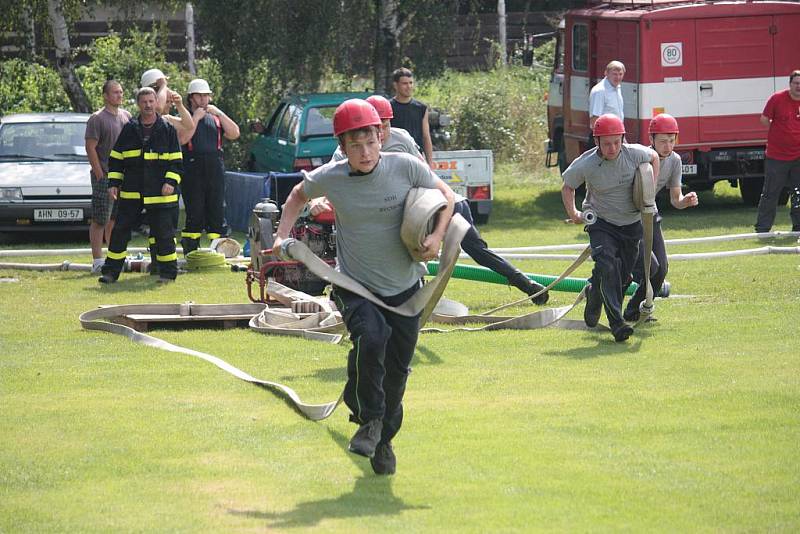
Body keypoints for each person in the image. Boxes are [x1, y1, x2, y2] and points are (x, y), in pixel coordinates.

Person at [273, 99, 454, 475]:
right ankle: (369, 419)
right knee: (371, 338)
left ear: (381, 135)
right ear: (342, 146)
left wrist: (436, 236)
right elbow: (296, 197)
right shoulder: (332, 176)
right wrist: (281, 237)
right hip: (355, 284)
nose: (365, 152)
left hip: (405, 288)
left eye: (371, 142)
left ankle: (384, 438)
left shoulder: (404, 166)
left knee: (398, 369)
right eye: (355, 145)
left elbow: (447, 197)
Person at [324, 95, 548, 304]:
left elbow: (424, 177)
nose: (381, 133)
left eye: (386, 125)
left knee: (477, 250)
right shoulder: (350, 147)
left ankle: (526, 284)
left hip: (437, 205)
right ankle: (354, 292)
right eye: (377, 126)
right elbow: (332, 175)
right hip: (399, 211)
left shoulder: (402, 139)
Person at [561, 114, 660, 342]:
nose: (612, 147)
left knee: (622, 277)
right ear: (597, 142)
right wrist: (574, 213)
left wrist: (649, 192)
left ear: (623, 139)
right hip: (601, 223)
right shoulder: (586, 163)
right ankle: (617, 324)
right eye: (606, 143)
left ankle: (594, 292)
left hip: (631, 224)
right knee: (607, 265)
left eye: (617, 142)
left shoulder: (634, 153)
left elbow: (655, 157)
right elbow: (568, 187)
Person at [98, 87, 183, 285]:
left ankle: (168, 274)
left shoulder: (167, 129)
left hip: (160, 195)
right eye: (144, 102)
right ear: (138, 104)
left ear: (156, 103)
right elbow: (117, 158)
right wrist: (114, 183)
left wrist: (170, 182)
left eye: (151, 101)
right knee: (119, 233)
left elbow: (177, 161)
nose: (148, 105)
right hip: (132, 193)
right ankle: (110, 273)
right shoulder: (130, 129)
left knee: (164, 235)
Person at [623, 114, 698, 322]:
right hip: (629, 218)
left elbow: (676, 199)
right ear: (652, 138)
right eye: (663, 141)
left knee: (661, 268)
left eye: (672, 140)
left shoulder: (675, 161)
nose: (668, 146)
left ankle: (635, 310)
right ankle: (628, 306)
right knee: (651, 268)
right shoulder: (640, 156)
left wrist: (687, 201)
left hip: (651, 214)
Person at [179, 78, 240, 255]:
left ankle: (219, 251)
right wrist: (195, 119)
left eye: (207, 96)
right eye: (200, 96)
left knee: (217, 209)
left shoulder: (215, 117)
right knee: (195, 210)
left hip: (215, 167)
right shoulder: (185, 117)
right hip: (192, 168)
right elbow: (183, 139)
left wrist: (220, 113)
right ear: (192, 97)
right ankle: (191, 251)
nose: (204, 100)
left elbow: (235, 133)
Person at [85, 80, 131, 273]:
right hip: (104, 176)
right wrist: (99, 173)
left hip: (122, 177)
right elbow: (90, 147)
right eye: (115, 92)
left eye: (121, 92)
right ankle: (97, 261)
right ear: (105, 95)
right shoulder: (97, 118)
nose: (119, 95)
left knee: (115, 220)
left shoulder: (126, 116)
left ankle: (114, 257)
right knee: (100, 219)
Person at [754, 70, 800, 233]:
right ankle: (763, 228)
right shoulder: (777, 99)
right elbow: (764, 119)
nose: (798, 86)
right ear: (790, 84)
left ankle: (798, 227)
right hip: (777, 157)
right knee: (770, 193)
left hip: (798, 157)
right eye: (796, 83)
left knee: (798, 193)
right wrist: (779, 133)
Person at [389, 68, 434, 165]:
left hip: (417, 158)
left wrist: (430, 164)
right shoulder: (388, 107)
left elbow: (426, 137)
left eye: (411, 83)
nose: (409, 86)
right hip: (394, 158)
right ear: (395, 85)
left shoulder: (421, 108)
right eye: (405, 83)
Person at [589, 61, 625, 129]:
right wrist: (602, 139)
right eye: (614, 74)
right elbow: (595, 120)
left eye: (620, 74)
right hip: (603, 136)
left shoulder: (617, 88)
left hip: (616, 134)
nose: (618, 77)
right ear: (606, 73)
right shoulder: (600, 91)